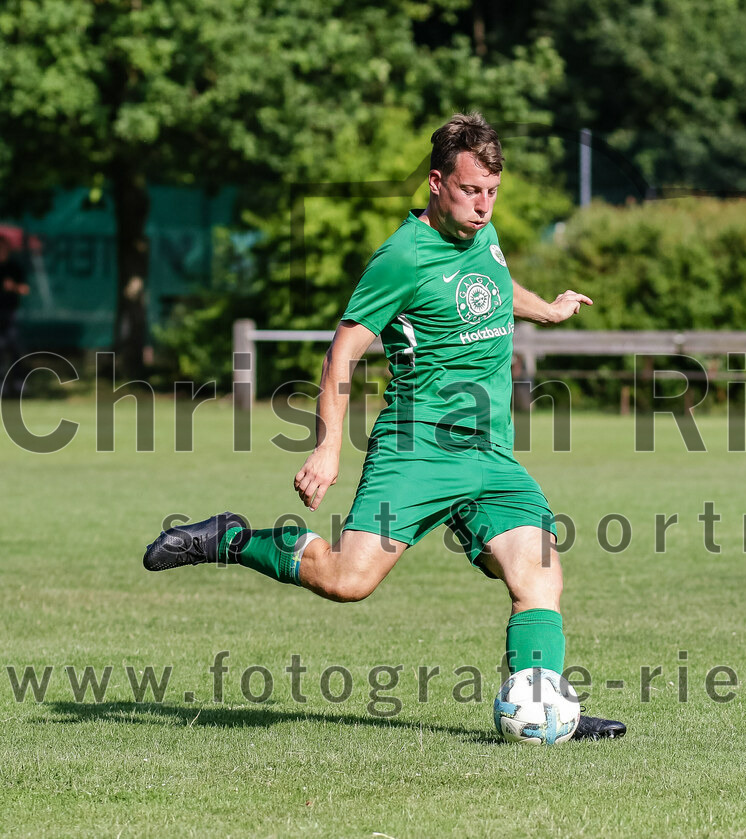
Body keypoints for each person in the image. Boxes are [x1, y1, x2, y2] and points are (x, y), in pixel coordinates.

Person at [143, 113, 626, 740]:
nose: (483, 206)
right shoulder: (400, 258)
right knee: (348, 581)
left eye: (492, 192)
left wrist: (549, 311)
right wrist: (327, 449)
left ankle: (544, 714)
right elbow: (340, 354)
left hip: (490, 455)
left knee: (539, 574)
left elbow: (495, 284)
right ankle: (234, 539)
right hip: (416, 449)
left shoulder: (482, 234)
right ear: (436, 182)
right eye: (470, 190)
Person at [0, 235, 29, 395]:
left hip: (11, 314)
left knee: (15, 348)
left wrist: (13, 287)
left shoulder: (13, 267)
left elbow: (25, 289)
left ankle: (19, 383)